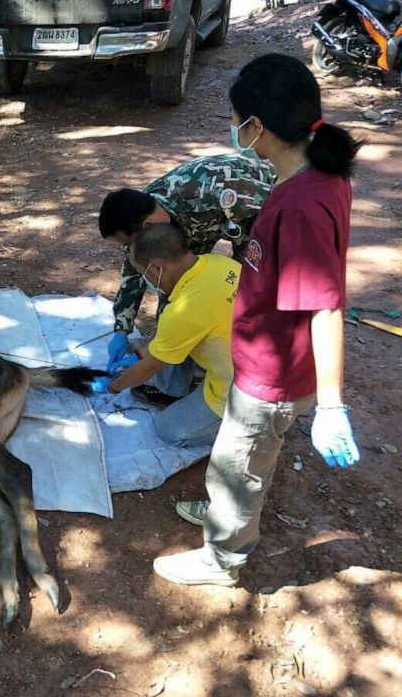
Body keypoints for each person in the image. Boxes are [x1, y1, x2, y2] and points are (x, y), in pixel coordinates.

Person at [153, 53, 361, 587]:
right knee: (244, 459)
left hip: (273, 376)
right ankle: (229, 513)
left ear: (258, 126)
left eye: (235, 118)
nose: (233, 127)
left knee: (238, 460)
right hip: (266, 360)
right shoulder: (313, 175)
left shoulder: (302, 204)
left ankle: (222, 558)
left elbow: (326, 305)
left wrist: (332, 405)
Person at [98, 154, 275, 404]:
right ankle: (175, 380)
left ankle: (251, 372)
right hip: (217, 221)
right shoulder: (143, 213)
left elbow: (265, 227)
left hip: (256, 207)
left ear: (147, 228)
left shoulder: (210, 196)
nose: (129, 248)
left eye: (128, 242)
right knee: (179, 304)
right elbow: (136, 272)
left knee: (246, 293)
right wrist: (121, 328)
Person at [89, 224, 239, 448]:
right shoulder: (220, 263)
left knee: (170, 430)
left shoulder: (183, 311)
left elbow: (150, 366)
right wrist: (138, 353)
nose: (147, 281)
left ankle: (248, 427)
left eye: (143, 273)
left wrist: (114, 386)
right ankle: (178, 390)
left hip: (247, 388)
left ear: (157, 268)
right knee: (167, 341)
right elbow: (172, 338)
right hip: (257, 354)